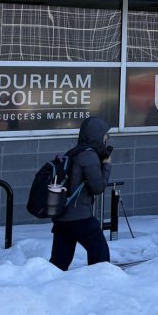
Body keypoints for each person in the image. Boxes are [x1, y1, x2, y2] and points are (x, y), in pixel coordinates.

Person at [49, 116, 113, 271]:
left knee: (59, 262)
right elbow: (98, 188)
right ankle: (99, 282)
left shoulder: (75, 151)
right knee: (100, 253)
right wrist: (106, 166)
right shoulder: (88, 156)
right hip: (80, 216)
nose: (108, 138)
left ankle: (45, 288)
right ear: (97, 134)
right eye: (106, 134)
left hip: (63, 216)